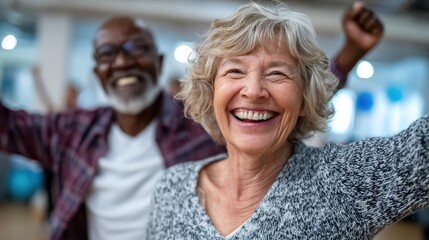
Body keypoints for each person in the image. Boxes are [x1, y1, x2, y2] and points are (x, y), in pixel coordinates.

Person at [0, 2, 381, 239]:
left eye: (137, 49)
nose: (123, 62)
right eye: (107, 54)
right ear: (98, 73)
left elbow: (279, 103)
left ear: (159, 62)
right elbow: (8, 127)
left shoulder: (197, 123)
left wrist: (349, 53)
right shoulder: (70, 132)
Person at [147, 2, 428, 239]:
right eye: (235, 71)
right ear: (211, 92)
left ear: (305, 98)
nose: (253, 90)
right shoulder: (172, 188)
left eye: (277, 73)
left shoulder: (342, 180)